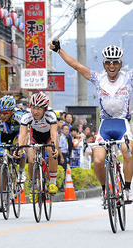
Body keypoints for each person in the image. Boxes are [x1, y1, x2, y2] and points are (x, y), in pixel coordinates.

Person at [50, 40, 133, 204]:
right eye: (108, 62)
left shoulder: (128, 77)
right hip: (106, 126)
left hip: (122, 124)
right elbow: (77, 66)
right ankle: (104, 190)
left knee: (128, 150)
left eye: (115, 62)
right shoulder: (98, 78)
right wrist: (59, 50)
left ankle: (127, 189)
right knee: (98, 159)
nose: (111, 65)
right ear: (104, 63)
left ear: (120, 63)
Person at [17, 92, 59, 199]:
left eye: (39, 109)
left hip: (48, 136)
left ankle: (52, 182)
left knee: (52, 152)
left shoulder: (51, 114)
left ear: (45, 109)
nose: (35, 111)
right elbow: (22, 135)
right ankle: (34, 183)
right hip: (34, 136)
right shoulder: (26, 116)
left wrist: (55, 147)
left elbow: (54, 134)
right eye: (34, 108)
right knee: (31, 160)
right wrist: (20, 147)